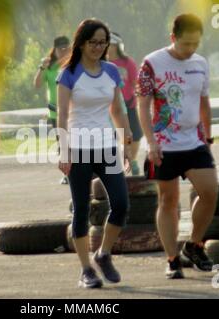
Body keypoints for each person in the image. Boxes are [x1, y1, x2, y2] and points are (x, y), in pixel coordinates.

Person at [136, 13, 218, 279]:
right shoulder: (152, 63)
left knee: (210, 193)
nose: (190, 50)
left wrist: (208, 136)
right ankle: (172, 259)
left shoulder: (201, 63)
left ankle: (194, 244)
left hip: (194, 142)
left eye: (195, 44)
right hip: (163, 144)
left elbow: (203, 101)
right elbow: (143, 105)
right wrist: (150, 142)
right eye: (185, 44)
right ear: (173, 38)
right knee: (168, 201)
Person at [57, 18, 133, 289]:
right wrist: (63, 150)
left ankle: (103, 253)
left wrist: (126, 140)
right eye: (94, 42)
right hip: (78, 148)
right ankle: (86, 269)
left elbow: (117, 110)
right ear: (82, 43)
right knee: (82, 210)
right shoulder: (69, 73)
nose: (99, 47)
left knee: (122, 204)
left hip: (107, 148)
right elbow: (63, 114)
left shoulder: (111, 71)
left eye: (103, 43)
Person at [34, 36, 70, 184]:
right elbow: (37, 84)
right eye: (60, 49)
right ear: (54, 50)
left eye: (66, 48)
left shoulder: (73, 65)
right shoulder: (50, 67)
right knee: (62, 142)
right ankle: (67, 173)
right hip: (55, 112)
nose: (63, 52)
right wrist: (42, 67)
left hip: (72, 111)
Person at [107, 32, 143, 175]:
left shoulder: (128, 62)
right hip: (111, 106)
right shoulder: (102, 63)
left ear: (116, 45)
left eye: (109, 44)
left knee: (136, 135)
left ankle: (132, 160)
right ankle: (118, 163)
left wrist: (137, 99)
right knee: (116, 135)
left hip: (129, 103)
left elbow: (135, 83)